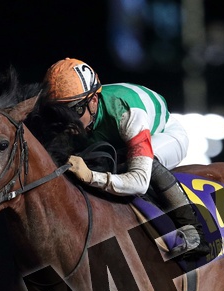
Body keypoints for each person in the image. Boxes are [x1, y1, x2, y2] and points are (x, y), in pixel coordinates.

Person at [41, 57, 208, 260]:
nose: (67, 121)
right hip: (118, 143)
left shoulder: (126, 113)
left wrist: (91, 176)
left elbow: (139, 181)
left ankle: (194, 231)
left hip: (163, 134)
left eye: (74, 110)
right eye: (59, 113)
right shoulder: (77, 114)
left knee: (135, 164)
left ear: (93, 101)